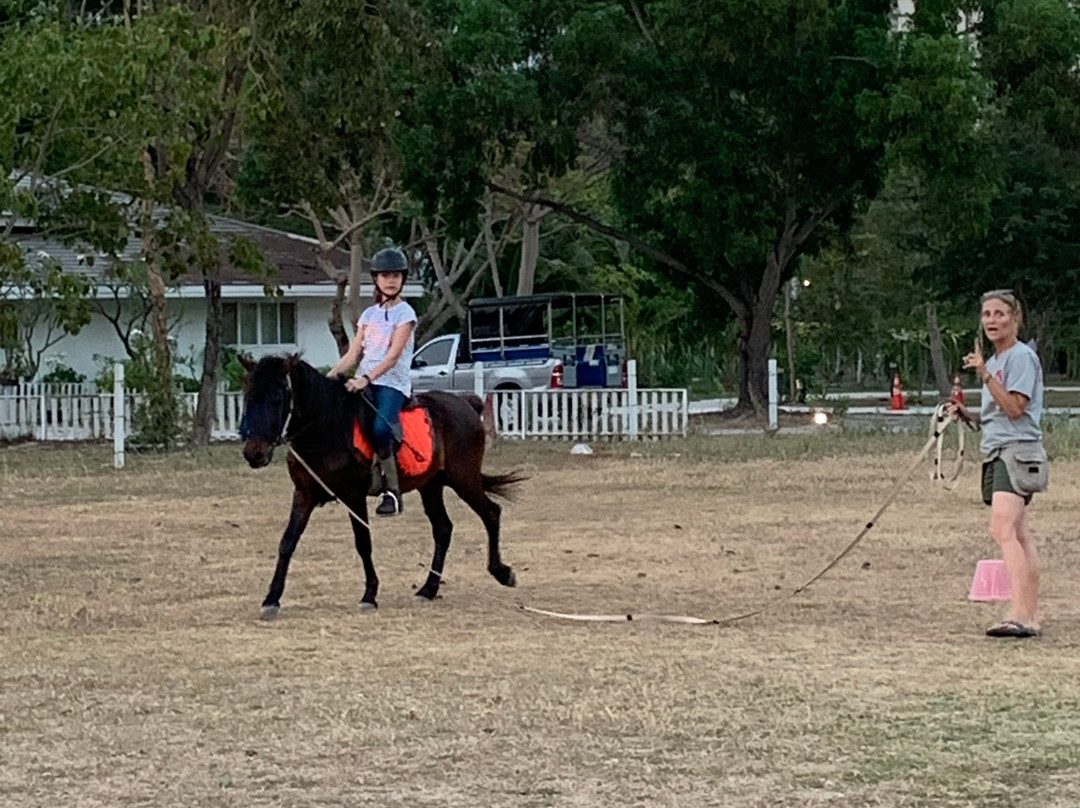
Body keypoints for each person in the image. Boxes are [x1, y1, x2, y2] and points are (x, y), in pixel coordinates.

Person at [951, 289, 1048, 638]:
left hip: (1016, 452)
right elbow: (997, 414)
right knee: (1018, 533)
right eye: (987, 314)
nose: (992, 320)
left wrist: (986, 376)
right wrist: (967, 414)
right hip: (999, 449)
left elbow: (1016, 409)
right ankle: (1030, 614)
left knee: (1003, 531)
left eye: (999, 314)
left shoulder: (1020, 358)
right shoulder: (994, 362)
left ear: (1015, 318)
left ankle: (1020, 614)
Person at [327, 246, 417, 516]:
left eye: (396, 275)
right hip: (364, 379)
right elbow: (354, 353)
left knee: (380, 429)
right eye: (385, 275)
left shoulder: (406, 314)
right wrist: (328, 377)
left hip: (392, 383)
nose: (391, 280)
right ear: (376, 279)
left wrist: (366, 379)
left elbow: (392, 357)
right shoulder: (368, 316)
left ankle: (392, 492)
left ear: (403, 279)